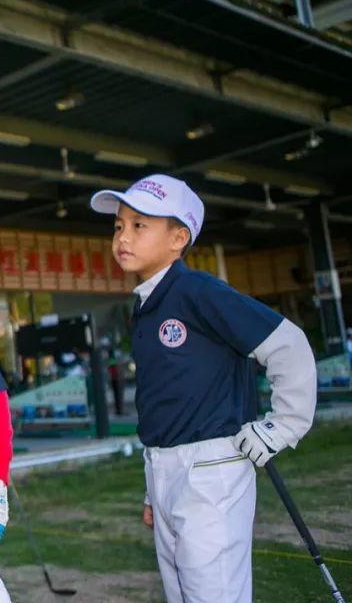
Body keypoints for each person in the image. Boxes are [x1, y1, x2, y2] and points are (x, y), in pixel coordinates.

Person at [90, 174, 317, 603]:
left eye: (140, 225)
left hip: (211, 469)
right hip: (165, 466)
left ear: (178, 238)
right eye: (119, 225)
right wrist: (152, 486)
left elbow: (289, 345)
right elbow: (164, 399)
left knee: (213, 594)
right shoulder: (146, 304)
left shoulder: (198, 290)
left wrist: (282, 426)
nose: (123, 236)